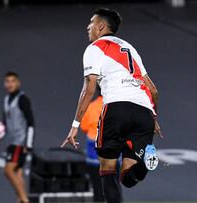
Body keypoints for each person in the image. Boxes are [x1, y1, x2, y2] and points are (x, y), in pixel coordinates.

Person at [61, 8, 162, 203]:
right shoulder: (130, 49)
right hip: (144, 113)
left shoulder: (95, 48)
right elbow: (154, 90)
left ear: (100, 26)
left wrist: (74, 126)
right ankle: (144, 166)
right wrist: (153, 118)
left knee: (107, 171)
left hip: (116, 109)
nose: (88, 26)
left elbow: (89, 90)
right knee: (128, 177)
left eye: (91, 22)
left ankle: (144, 165)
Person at [2, 71, 35, 203]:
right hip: (11, 142)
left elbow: (31, 123)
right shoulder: (6, 100)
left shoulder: (22, 99)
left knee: (8, 170)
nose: (10, 84)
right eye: (7, 81)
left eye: (13, 81)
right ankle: (20, 200)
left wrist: (29, 144)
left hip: (20, 142)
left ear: (18, 83)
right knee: (18, 172)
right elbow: (5, 122)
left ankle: (25, 200)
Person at [80, 86, 105, 202]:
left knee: (97, 185)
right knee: (113, 183)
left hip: (93, 148)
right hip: (111, 148)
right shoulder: (116, 107)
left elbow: (84, 126)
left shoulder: (91, 106)